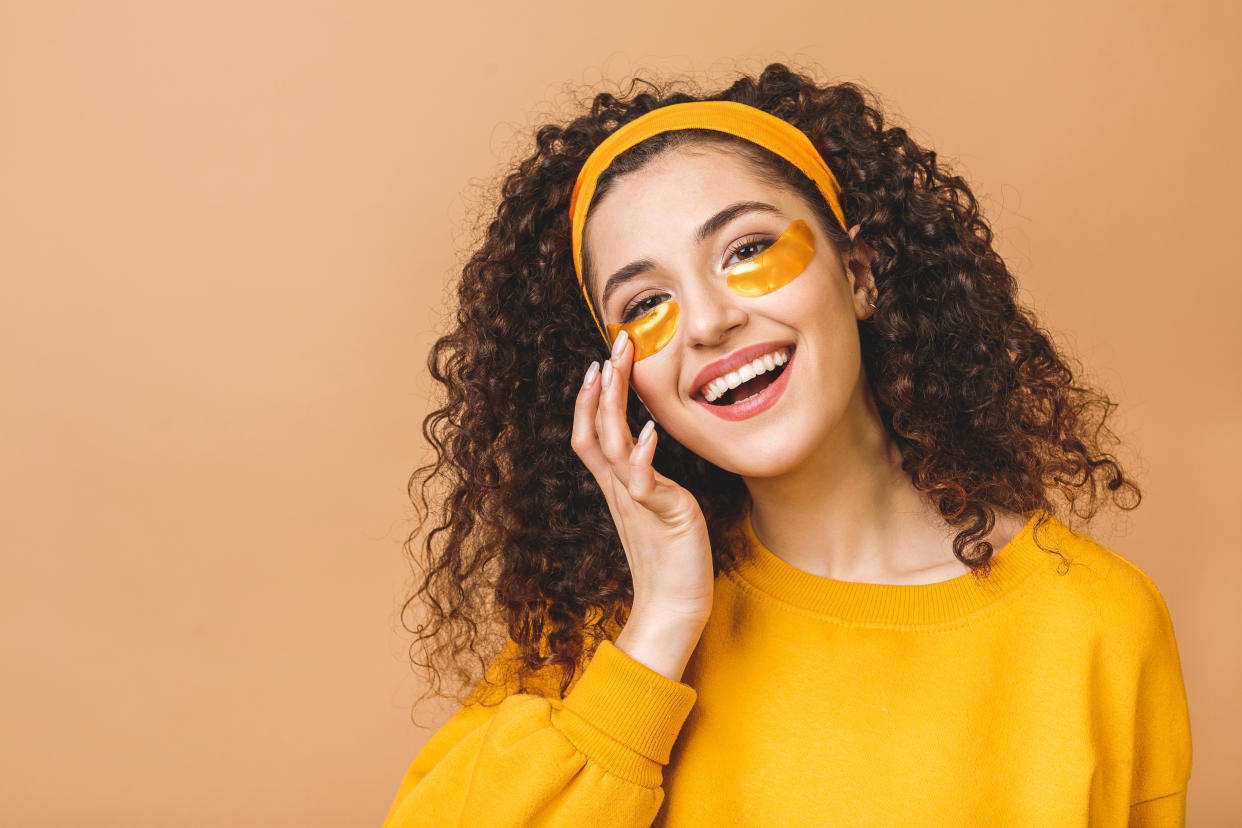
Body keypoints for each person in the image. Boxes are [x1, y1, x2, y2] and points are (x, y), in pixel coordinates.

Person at [382, 63, 1192, 827]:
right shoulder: (604, 638)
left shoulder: (1094, 626)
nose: (707, 322)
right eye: (645, 301)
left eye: (746, 251)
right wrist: (662, 626)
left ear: (861, 274)